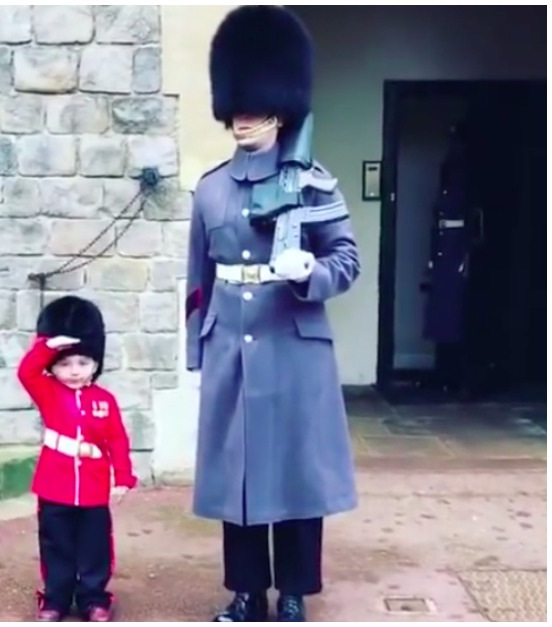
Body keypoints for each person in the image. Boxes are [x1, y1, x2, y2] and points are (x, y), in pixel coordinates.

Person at [185, 6, 359, 622]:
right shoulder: (210, 189)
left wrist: (311, 273)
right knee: (238, 479)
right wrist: (197, 350)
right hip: (232, 344)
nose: (241, 118)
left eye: (253, 108)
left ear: (280, 110)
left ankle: (291, 592)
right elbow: (199, 280)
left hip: (293, 342)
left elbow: (346, 258)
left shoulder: (312, 183)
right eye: (236, 107)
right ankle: (244, 592)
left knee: (294, 476)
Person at [18, 295, 136, 623]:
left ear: (96, 363)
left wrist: (123, 476)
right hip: (54, 484)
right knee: (56, 545)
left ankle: (94, 598)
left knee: (95, 547)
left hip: (94, 486)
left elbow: (117, 440)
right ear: (54, 367)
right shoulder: (48, 391)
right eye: (65, 364)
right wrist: (48, 346)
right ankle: (55, 598)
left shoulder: (105, 400)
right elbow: (27, 371)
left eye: (82, 363)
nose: (73, 371)